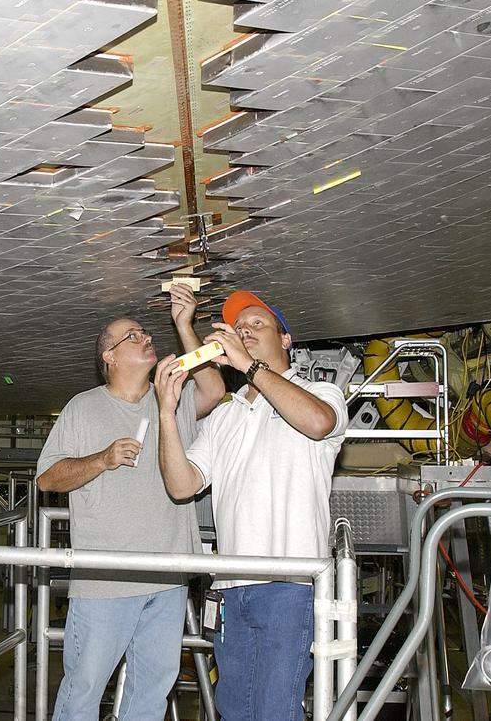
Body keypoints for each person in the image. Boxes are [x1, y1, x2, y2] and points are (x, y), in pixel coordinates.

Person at [152, 290, 349, 721]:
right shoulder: (226, 415)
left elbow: (319, 424)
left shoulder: (321, 392)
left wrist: (247, 366)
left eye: (257, 324)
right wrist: (167, 412)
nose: (245, 331)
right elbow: (182, 484)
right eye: (240, 328)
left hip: (289, 587)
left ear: (286, 340)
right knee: (234, 709)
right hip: (230, 590)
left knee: (275, 710)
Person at [36, 283, 225, 721]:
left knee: (153, 692)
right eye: (132, 336)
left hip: (169, 575)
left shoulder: (171, 401)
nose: (145, 337)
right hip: (107, 582)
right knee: (84, 689)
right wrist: (101, 459)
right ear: (110, 357)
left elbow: (213, 389)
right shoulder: (83, 409)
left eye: (144, 332)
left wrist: (184, 324)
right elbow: (48, 478)